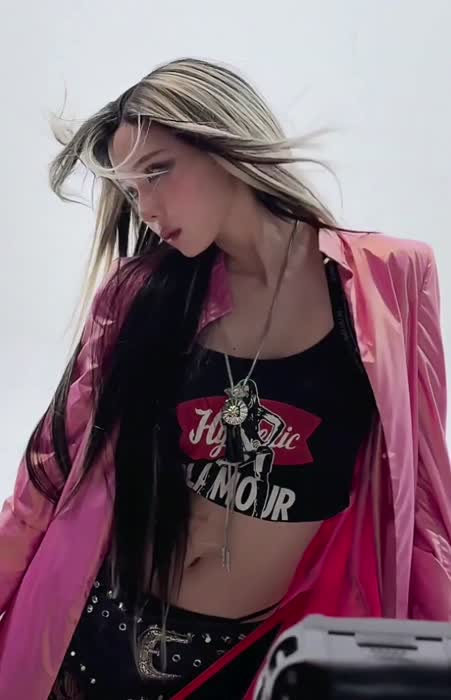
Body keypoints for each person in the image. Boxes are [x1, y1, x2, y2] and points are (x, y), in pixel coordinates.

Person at [0, 57, 450, 700]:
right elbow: (46, 476)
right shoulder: (141, 296)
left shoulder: (390, 281)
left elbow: (423, 489)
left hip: (250, 658)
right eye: (132, 190)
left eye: (158, 171)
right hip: (102, 632)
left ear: (223, 143)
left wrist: (434, 649)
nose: (146, 207)